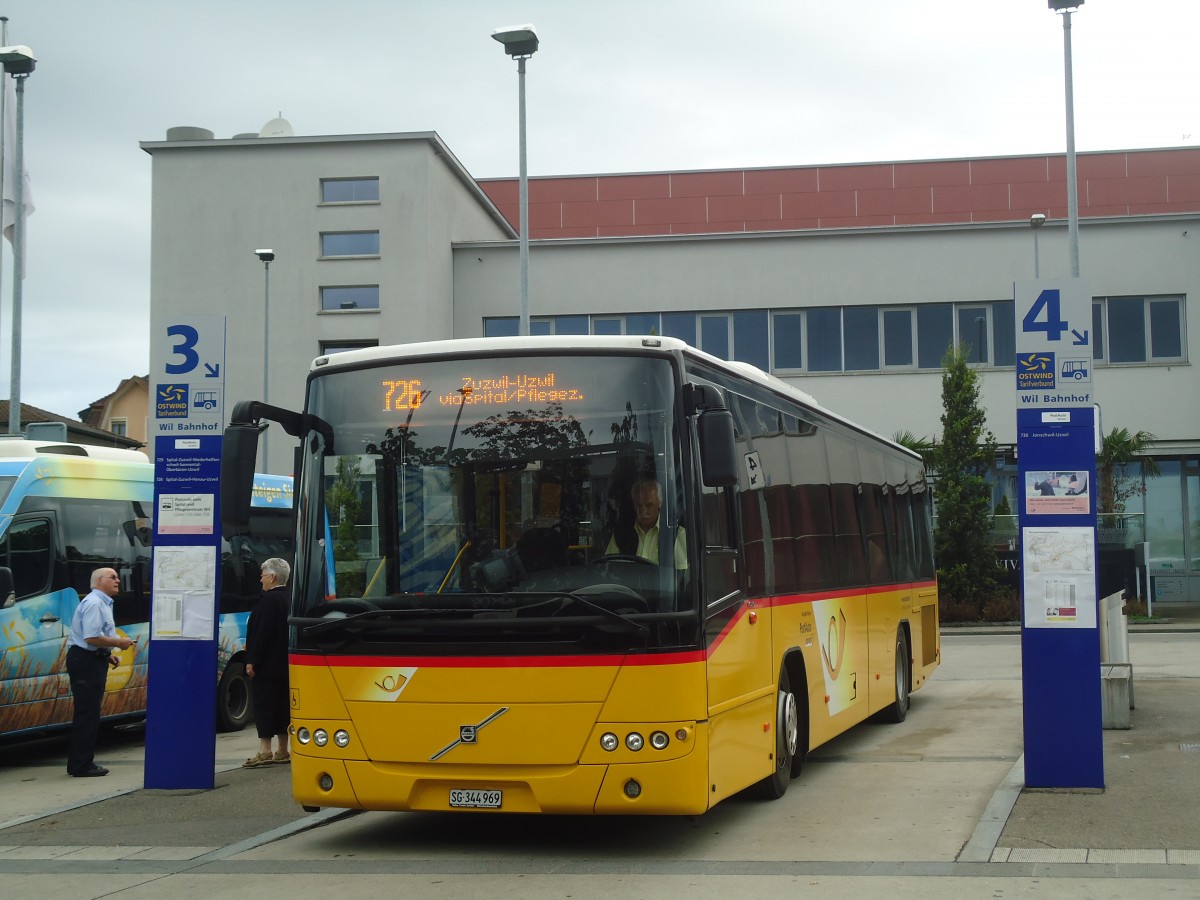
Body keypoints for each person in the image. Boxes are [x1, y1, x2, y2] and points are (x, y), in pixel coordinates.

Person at [66, 567, 135, 777]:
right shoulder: (95, 603)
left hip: (91, 658)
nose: (117, 581)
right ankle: (81, 765)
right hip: (85, 661)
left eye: (117, 577)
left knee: (89, 713)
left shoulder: (102, 602)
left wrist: (107, 653)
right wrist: (118, 642)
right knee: (87, 714)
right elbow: (91, 637)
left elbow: (94, 640)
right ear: (98, 581)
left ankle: (80, 763)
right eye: (112, 577)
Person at [243, 557, 292, 767]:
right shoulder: (292, 598)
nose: (260, 579)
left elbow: (261, 634)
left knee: (264, 705)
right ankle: (283, 749)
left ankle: (265, 750)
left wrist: (252, 659)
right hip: (288, 664)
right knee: (284, 706)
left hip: (267, 665)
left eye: (263, 575)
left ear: (272, 577)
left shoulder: (267, 601)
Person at [605, 478, 687, 570]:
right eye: (639, 505)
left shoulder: (676, 534)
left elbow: (682, 575)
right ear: (634, 506)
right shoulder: (621, 534)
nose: (643, 511)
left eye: (649, 505)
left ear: (660, 503)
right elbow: (610, 568)